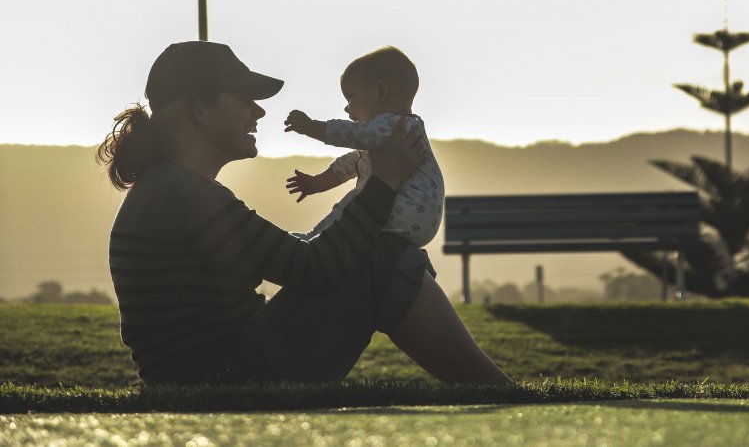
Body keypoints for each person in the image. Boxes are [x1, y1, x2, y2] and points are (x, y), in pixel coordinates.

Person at [97, 40, 511, 386]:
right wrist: (384, 181)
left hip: (217, 372)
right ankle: (499, 393)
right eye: (245, 99)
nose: (258, 112)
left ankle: (495, 391)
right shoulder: (179, 193)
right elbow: (313, 269)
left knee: (381, 251)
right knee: (384, 255)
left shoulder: (171, 189)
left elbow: (291, 256)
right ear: (200, 109)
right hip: (226, 379)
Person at [283, 46, 443, 248]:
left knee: (354, 204)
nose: (346, 108)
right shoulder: (401, 132)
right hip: (419, 221)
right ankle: (314, 239)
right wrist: (316, 184)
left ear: (381, 91)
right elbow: (353, 163)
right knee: (358, 203)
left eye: (350, 97)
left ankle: (315, 241)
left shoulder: (393, 124)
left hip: (406, 210)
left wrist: (310, 126)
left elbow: (351, 134)